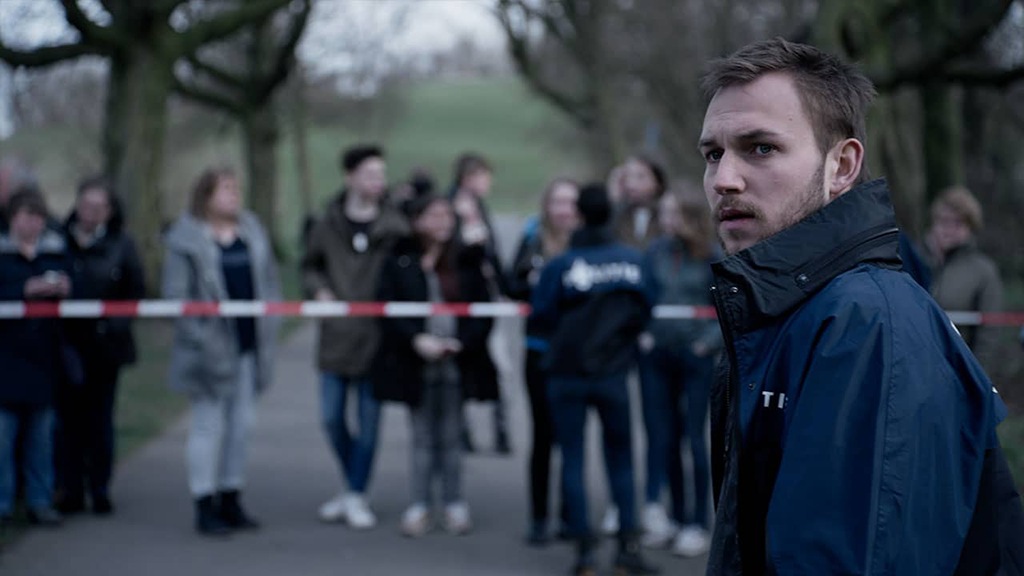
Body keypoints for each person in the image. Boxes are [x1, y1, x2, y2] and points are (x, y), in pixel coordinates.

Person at [698, 38, 1023, 574]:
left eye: (761, 148)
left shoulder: (866, 325)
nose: (724, 180)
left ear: (843, 166)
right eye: (714, 154)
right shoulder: (783, 309)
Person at [532, 183, 659, 576]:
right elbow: (647, 307)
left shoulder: (561, 265)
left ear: (580, 214)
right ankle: (627, 551)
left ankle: (585, 554)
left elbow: (541, 314)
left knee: (572, 459)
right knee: (621, 460)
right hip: (613, 375)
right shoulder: (633, 262)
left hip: (565, 375)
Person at [162, 167, 281, 536]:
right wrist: (201, 338)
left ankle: (232, 495)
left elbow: (269, 283)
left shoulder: (252, 231)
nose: (234, 195)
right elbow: (176, 298)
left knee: (241, 426)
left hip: (248, 346)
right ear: (206, 195)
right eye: (225, 189)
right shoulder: (185, 239)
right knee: (207, 426)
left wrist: (270, 323)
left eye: (235, 188)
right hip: (207, 352)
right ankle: (204, 501)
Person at [373, 190, 498, 538]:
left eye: (447, 215)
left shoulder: (468, 258)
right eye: (434, 215)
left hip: (458, 361)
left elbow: (485, 309)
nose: (443, 222)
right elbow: (386, 307)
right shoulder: (400, 258)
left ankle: (454, 502)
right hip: (416, 362)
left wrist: (463, 343)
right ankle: (420, 504)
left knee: (452, 435)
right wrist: (416, 339)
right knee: (422, 436)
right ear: (417, 221)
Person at [301, 145, 408, 529]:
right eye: (370, 173)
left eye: (381, 174)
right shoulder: (326, 223)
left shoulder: (396, 225)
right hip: (336, 337)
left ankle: (356, 494)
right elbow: (310, 266)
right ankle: (352, 487)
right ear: (350, 177)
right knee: (331, 419)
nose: (378, 181)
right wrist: (319, 290)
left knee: (369, 425)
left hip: (377, 339)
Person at [638, 185, 721, 557]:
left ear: (691, 216)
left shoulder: (711, 256)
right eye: (664, 212)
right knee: (664, 437)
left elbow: (726, 308)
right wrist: (644, 332)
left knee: (694, 441)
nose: (666, 219)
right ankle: (674, 515)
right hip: (658, 357)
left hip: (695, 358)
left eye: (673, 212)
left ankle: (697, 523)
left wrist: (707, 343)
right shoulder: (655, 251)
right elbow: (642, 298)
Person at [55, 176, 145, 517]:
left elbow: (136, 290)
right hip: (66, 344)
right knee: (68, 421)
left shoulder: (122, 244)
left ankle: (100, 487)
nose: (90, 212)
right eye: (85, 205)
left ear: (110, 211)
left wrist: (114, 325)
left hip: (106, 346)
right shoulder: (59, 239)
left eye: (98, 207)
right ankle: (71, 489)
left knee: (100, 419)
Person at [506, 177, 580, 545]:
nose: (563, 209)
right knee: (542, 437)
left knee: (572, 438)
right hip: (539, 349)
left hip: (578, 354)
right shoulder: (533, 235)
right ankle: (538, 518)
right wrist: (534, 283)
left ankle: (571, 515)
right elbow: (511, 285)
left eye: (570, 202)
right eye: (557, 202)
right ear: (547, 205)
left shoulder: (587, 240)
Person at [0, 186, 72, 528]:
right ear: (13, 218)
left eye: (39, 217)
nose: (34, 224)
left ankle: (39, 501)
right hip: (6, 361)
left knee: (42, 441)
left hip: (44, 361)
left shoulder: (55, 254)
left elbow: (81, 291)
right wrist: (23, 291)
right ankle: (2, 504)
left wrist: (66, 289)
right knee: (2, 441)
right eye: (28, 216)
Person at [448, 152, 510, 455]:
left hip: (486, 300)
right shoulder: (449, 208)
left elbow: (492, 254)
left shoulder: (480, 208)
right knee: (461, 364)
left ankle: (501, 430)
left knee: (498, 365)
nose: (488, 183)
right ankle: (463, 430)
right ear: (469, 177)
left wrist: (505, 286)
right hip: (461, 300)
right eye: (484, 177)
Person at [926, 186, 1004, 370]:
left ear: (970, 226)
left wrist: (977, 378)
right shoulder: (918, 262)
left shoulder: (983, 271)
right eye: (943, 221)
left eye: (957, 222)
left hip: (959, 374)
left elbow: (989, 336)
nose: (948, 229)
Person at [609, 155, 667, 251]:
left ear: (658, 181)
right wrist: (614, 197)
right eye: (627, 177)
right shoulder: (617, 213)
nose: (631, 184)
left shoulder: (667, 214)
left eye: (640, 177)